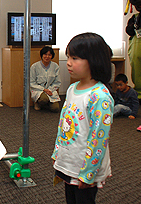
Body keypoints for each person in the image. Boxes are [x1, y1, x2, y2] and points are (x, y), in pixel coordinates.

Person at [51, 33, 114, 204]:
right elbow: (64, 123)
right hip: (69, 161)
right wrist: (58, 151)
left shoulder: (99, 96)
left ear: (93, 60)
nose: (69, 63)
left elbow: (98, 139)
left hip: (86, 168)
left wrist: (88, 173)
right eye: (68, 57)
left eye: (75, 58)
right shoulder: (72, 89)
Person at [30, 46, 61, 112]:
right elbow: (32, 83)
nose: (47, 57)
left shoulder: (55, 66)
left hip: (50, 90)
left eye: (49, 55)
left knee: (56, 109)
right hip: (38, 90)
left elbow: (57, 82)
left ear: (52, 56)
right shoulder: (34, 66)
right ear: (41, 55)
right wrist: (44, 89)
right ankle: (38, 102)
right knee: (43, 99)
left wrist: (50, 89)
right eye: (45, 54)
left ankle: (47, 103)